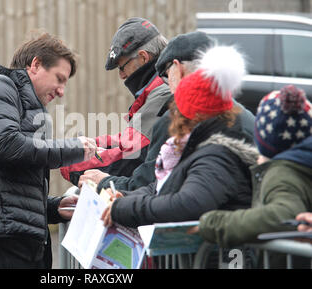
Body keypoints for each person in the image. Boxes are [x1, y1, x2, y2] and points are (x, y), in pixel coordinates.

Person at [0, 32, 98, 269]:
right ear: (35, 65)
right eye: (59, 78)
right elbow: (6, 145)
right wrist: (73, 148)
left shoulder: (23, 104)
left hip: (13, 241)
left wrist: (54, 208)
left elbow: (8, 187)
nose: (61, 91)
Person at [101, 44, 258, 228]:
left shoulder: (216, 156)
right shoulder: (197, 147)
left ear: (192, 116)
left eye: (178, 112)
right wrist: (125, 197)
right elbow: (163, 186)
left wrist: (125, 208)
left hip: (223, 256)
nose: (173, 121)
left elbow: (185, 203)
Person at [81, 31, 255, 193]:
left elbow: (151, 187)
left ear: (178, 68)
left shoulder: (176, 120)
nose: (166, 83)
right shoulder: (246, 117)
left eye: (165, 74)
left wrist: (104, 183)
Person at [60, 17, 172, 187]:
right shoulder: (159, 88)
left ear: (142, 57)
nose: (121, 75)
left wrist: (70, 162)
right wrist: (89, 145)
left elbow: (130, 155)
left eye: (121, 67)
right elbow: (127, 141)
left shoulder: (163, 93)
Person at [197, 85, 312, 248]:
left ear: (263, 139)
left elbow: (284, 215)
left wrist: (216, 223)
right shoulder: (300, 165)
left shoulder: (282, 174)